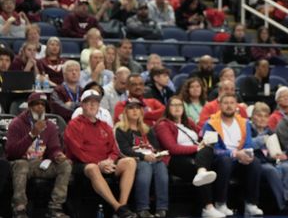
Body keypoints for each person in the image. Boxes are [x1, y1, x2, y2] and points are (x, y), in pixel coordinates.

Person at [64, 90, 138, 218]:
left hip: (105, 164)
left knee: (130, 162)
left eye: (96, 102)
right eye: (88, 102)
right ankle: (117, 207)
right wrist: (99, 164)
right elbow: (78, 152)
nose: (92, 105)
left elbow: (114, 149)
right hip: (81, 165)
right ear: (82, 105)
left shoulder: (104, 126)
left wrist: (109, 161)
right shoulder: (74, 125)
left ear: (99, 106)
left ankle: (123, 206)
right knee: (92, 168)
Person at [6, 92, 72, 218]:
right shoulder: (17, 123)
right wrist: (32, 134)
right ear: (29, 106)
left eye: (43, 104)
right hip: (19, 163)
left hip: (40, 164)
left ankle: (55, 207)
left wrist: (57, 155)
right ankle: (19, 208)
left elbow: (54, 148)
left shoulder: (50, 126)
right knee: (21, 164)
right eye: (36, 104)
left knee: (65, 165)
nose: (40, 107)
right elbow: (11, 153)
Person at [153, 97, 220, 218]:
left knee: (211, 154)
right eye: (173, 105)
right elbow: (172, 148)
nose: (177, 107)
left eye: (180, 105)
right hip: (176, 159)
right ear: (168, 108)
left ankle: (217, 202)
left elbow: (202, 134)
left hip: (196, 156)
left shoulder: (188, 122)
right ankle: (208, 207)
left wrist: (208, 139)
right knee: (199, 166)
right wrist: (197, 148)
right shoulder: (163, 125)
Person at [201, 93, 264, 216]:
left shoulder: (245, 123)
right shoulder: (210, 124)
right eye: (225, 103)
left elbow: (248, 144)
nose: (229, 106)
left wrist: (246, 155)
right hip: (219, 160)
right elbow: (211, 150)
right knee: (226, 161)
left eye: (232, 103)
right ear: (219, 105)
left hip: (240, 160)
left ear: (236, 106)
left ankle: (251, 204)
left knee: (255, 162)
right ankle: (220, 203)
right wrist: (234, 153)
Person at [115, 98, 169, 218]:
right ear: (125, 112)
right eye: (131, 108)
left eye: (137, 108)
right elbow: (123, 150)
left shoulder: (147, 129)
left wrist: (157, 154)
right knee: (145, 167)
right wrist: (143, 156)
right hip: (134, 160)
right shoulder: (120, 129)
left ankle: (161, 208)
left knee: (161, 167)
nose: (135, 111)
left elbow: (155, 146)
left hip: (151, 158)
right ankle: (142, 208)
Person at [249, 102, 288, 214]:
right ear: (253, 116)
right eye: (259, 116)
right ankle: (283, 205)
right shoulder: (248, 129)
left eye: (265, 116)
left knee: (286, 167)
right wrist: (261, 139)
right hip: (257, 162)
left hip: (273, 160)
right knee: (271, 171)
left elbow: (281, 148)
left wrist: (283, 154)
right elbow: (248, 144)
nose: (262, 119)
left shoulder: (271, 131)